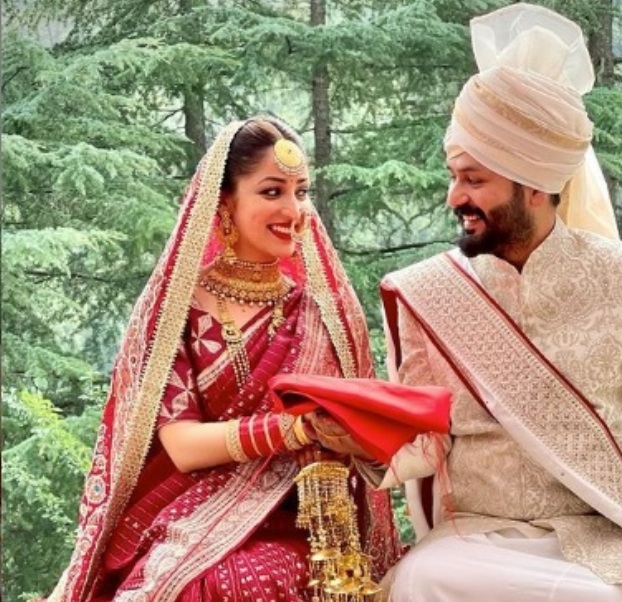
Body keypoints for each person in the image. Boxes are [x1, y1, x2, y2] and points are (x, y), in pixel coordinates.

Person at [377, 4, 622, 602]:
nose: (455, 196)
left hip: (603, 536)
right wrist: (358, 440)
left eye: (474, 179)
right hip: (471, 542)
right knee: (420, 580)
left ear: (534, 186)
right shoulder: (426, 291)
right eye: (454, 176)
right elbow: (424, 440)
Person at [45, 116, 401, 601]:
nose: (294, 210)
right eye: (272, 191)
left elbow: (360, 440)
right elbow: (183, 446)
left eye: (301, 192)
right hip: (183, 515)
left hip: (294, 522)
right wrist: (298, 429)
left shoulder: (323, 316)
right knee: (182, 582)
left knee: (227, 583)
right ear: (224, 202)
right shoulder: (177, 311)